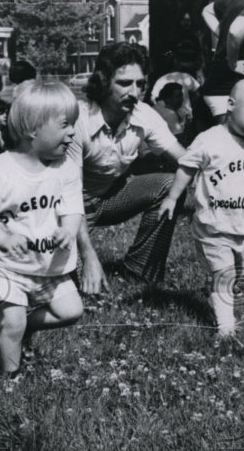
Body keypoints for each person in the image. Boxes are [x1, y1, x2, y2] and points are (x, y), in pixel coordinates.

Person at [0, 81, 84, 377]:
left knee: (72, 311)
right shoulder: (1, 167)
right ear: (33, 128)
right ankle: (11, 378)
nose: (73, 132)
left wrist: (69, 231)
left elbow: (73, 210)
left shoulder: (66, 169)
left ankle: (25, 325)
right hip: (6, 265)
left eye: (73, 124)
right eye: (64, 125)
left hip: (48, 266)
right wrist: (2, 237)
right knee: (13, 323)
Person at [67, 42, 186, 295]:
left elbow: (187, 160)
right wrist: (88, 256)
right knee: (79, 292)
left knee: (170, 184)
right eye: (124, 83)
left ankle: (139, 271)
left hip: (111, 196)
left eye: (140, 84)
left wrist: (232, 182)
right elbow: (69, 194)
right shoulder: (78, 119)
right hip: (67, 207)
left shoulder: (145, 114)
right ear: (102, 81)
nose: (134, 92)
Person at [158, 78, 244, 337]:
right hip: (213, 225)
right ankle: (225, 327)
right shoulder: (209, 140)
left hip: (241, 225)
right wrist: (172, 197)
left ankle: (219, 298)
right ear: (231, 105)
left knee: (237, 274)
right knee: (225, 274)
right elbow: (186, 167)